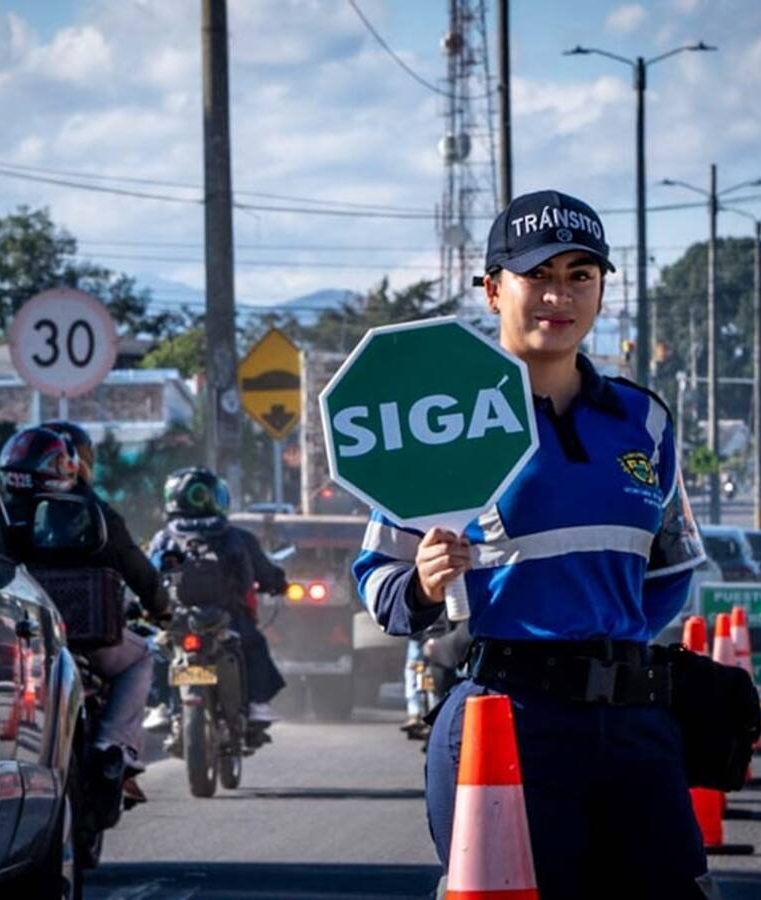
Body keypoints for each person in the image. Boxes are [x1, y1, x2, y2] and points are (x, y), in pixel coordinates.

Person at [352, 190, 718, 899]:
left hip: (633, 723)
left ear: (603, 289)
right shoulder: (443, 416)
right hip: (506, 719)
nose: (560, 295)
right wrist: (427, 583)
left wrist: (614, 650)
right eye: (539, 275)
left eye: (582, 275)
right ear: (493, 290)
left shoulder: (643, 419)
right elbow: (377, 580)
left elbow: (670, 567)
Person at [0, 423, 169, 804]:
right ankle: (113, 743)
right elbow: (138, 571)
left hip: (18, 640)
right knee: (140, 657)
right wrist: (162, 608)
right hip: (87, 636)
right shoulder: (94, 513)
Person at [148, 466, 288, 725]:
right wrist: (278, 584)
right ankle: (258, 704)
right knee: (254, 646)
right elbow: (266, 574)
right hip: (229, 617)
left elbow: (146, 577)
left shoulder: (163, 538)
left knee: (158, 648)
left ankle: (160, 707)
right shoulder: (236, 536)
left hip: (177, 620)